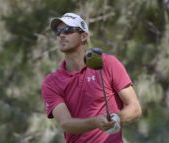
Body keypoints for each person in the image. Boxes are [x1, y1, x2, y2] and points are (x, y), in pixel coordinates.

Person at [41, 12, 142, 143]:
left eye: (68, 30)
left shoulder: (107, 63)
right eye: (58, 31)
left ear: (84, 36)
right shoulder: (51, 82)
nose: (61, 35)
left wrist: (117, 118)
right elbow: (66, 123)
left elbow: (135, 108)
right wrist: (95, 122)